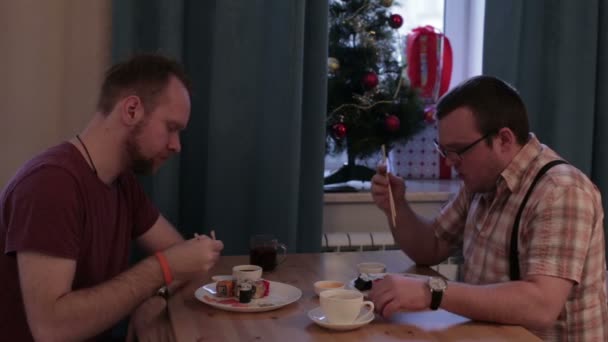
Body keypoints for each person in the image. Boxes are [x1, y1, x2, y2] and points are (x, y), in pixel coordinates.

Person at [0, 54, 224, 341]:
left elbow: (183, 256)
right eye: (171, 128)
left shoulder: (121, 182)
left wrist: (153, 300)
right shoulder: (50, 185)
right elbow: (51, 328)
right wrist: (162, 269)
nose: (176, 146)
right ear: (131, 110)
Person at [369, 75, 607, 341]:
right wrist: (397, 205)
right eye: (444, 151)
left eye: (459, 150)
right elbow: (431, 246)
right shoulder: (480, 182)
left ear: (504, 139)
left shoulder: (561, 191)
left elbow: (541, 305)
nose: (450, 163)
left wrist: (431, 291)